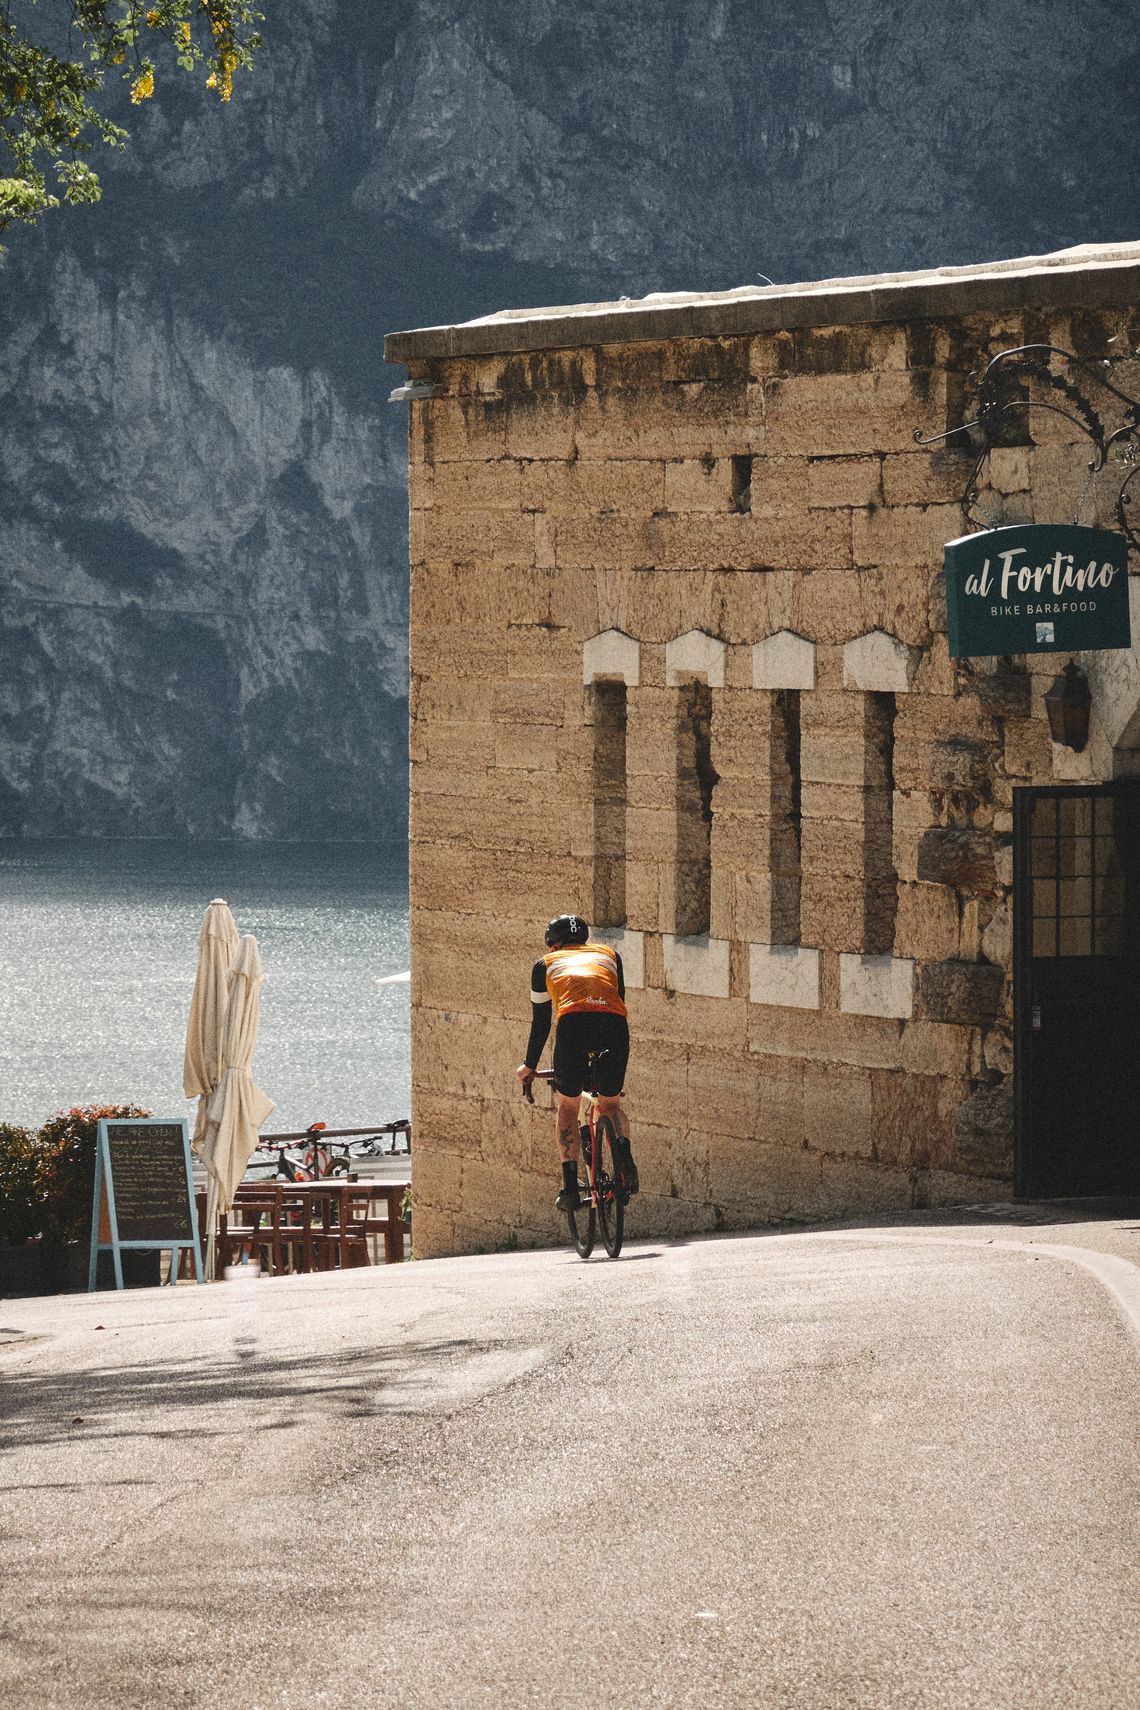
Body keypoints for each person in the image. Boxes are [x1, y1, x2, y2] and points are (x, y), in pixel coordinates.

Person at [516, 913, 639, 1211]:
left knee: (569, 1105)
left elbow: (541, 1022)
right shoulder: (610, 955)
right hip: (614, 1026)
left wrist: (529, 1065)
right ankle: (625, 1162)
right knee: (611, 1105)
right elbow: (616, 997)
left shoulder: (545, 964)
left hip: (574, 1026)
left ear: (553, 944)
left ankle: (570, 1188)